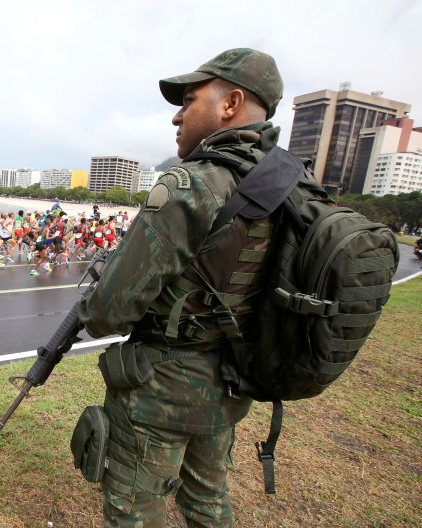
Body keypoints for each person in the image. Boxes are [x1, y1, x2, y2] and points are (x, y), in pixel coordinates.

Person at [75, 48, 285, 527]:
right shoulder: (289, 187)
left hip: (160, 392)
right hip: (232, 383)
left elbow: (109, 310)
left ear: (230, 104)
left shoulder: (192, 184)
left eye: (189, 100)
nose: (177, 114)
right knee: (208, 502)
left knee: (135, 510)